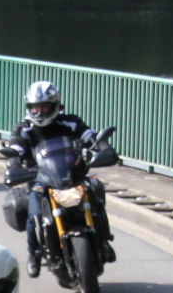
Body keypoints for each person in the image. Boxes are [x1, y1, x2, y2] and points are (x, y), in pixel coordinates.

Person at [9, 80, 116, 274]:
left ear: (55, 104)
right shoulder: (24, 129)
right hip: (42, 181)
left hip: (73, 175)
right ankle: (33, 253)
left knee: (96, 190)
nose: (40, 112)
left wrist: (101, 146)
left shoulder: (71, 122)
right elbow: (16, 148)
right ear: (29, 107)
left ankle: (104, 239)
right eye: (35, 107)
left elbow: (89, 137)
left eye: (44, 106)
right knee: (34, 217)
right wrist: (14, 163)